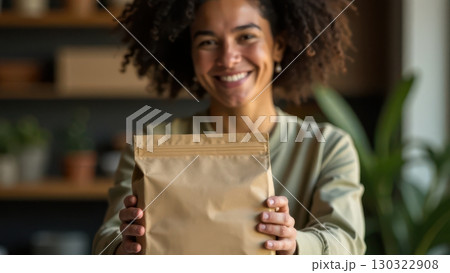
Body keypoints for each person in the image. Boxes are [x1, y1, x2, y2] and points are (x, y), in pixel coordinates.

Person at [93, 0, 366, 255]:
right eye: (208, 42)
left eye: (246, 36)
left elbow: (347, 243)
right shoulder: (151, 145)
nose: (228, 57)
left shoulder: (326, 146)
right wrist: (123, 246)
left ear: (278, 46)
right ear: (191, 53)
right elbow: (106, 240)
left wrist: (295, 245)